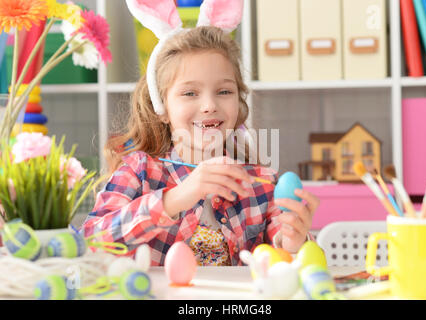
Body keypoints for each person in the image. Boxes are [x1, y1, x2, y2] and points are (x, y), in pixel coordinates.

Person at [82, 0, 320, 266]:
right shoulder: (139, 172)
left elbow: (286, 261)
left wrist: (294, 242)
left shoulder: (263, 184)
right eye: (190, 93)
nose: (209, 106)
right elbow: (91, 242)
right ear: (162, 107)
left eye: (224, 92)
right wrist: (175, 198)